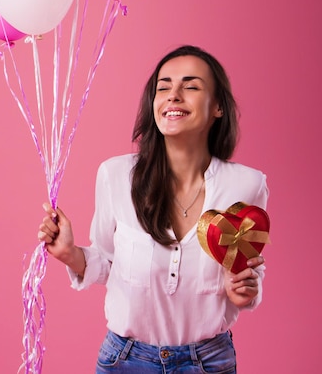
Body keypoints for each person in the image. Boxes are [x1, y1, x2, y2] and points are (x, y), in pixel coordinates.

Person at [38, 44, 269, 373]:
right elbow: (107, 263)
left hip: (208, 363)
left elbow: (249, 272)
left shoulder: (247, 185)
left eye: (190, 86)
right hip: (125, 360)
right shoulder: (115, 175)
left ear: (218, 106)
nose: (173, 95)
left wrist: (245, 292)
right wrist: (69, 253)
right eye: (163, 87)